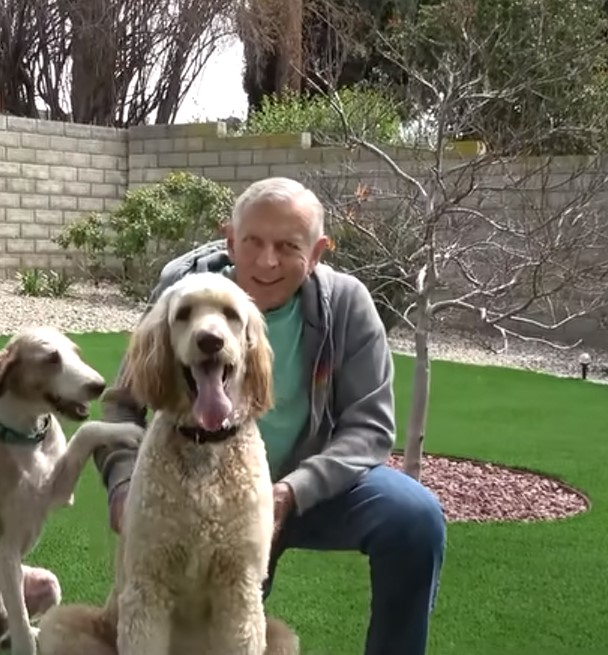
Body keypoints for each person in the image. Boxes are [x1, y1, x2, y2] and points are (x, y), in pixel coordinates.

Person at [93, 176, 446, 655]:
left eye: (288, 246)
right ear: (230, 238)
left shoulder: (347, 305)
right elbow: (124, 402)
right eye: (253, 242)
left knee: (415, 516)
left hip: (306, 490)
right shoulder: (183, 297)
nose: (266, 261)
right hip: (188, 488)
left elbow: (370, 428)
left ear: (318, 251)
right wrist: (122, 483)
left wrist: (292, 491)